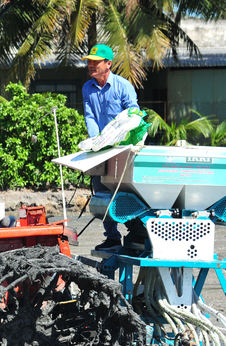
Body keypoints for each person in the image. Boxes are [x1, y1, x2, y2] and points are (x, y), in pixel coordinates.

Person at [82, 44, 139, 251]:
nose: (90, 65)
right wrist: (96, 140)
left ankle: (137, 232)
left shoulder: (123, 86)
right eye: (89, 61)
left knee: (128, 192)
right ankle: (112, 237)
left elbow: (134, 114)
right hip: (101, 149)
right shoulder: (87, 88)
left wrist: (119, 137)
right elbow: (89, 116)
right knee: (101, 191)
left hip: (123, 148)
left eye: (95, 62)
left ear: (108, 64)